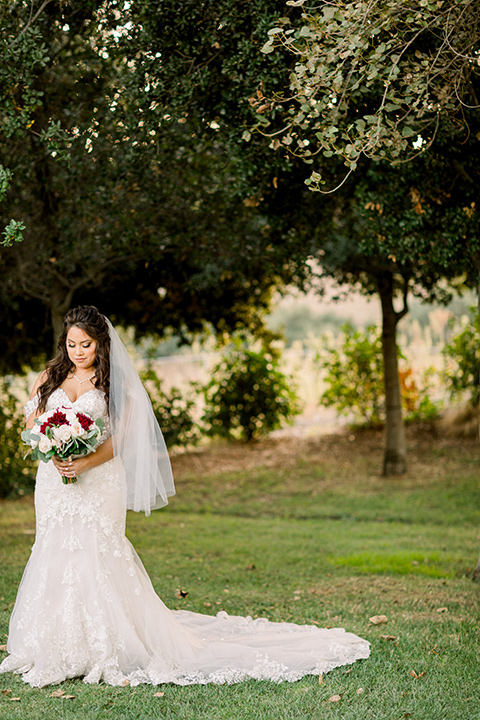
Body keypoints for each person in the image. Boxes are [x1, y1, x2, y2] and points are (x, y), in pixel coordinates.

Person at [0, 306, 369, 688]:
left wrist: (84, 462)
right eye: (72, 344)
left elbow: (122, 439)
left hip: (98, 479)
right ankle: (55, 644)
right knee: (56, 548)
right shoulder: (49, 376)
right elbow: (32, 422)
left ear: (101, 343)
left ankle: (103, 646)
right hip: (53, 481)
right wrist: (54, 448)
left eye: (87, 344)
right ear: (65, 342)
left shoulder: (114, 383)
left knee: (97, 551)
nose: (79, 351)